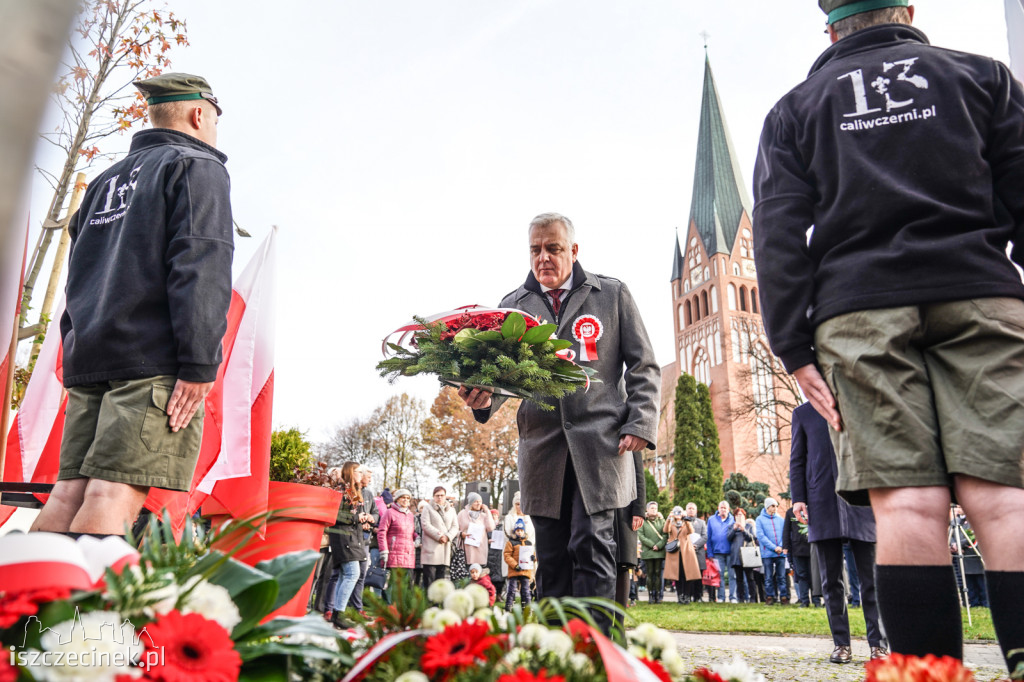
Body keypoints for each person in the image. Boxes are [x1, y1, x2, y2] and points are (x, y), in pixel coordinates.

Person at [754, 0, 1024, 671]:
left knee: (907, 503)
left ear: (830, 26)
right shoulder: (981, 77)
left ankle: (932, 672)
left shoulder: (797, 109)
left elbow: (779, 235)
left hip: (859, 311)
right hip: (980, 291)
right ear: (906, 9)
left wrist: (793, 344)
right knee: (1006, 497)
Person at [31, 73, 233, 536]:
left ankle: (25, 609)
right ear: (199, 113)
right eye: (217, 120)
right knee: (111, 494)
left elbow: (78, 274)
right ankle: (83, 612)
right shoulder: (196, 165)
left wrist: (75, 348)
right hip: (152, 361)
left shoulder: (102, 182)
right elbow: (201, 263)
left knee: (69, 493)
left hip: (92, 356)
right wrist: (199, 364)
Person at [458, 212, 660, 626]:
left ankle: (599, 653)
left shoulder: (612, 294)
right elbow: (499, 382)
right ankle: (559, 656)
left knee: (592, 546)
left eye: (553, 248)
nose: (543, 257)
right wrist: (481, 399)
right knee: (550, 557)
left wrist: (639, 422)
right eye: (535, 249)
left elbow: (644, 366)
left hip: (601, 448)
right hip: (542, 451)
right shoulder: (512, 306)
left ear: (573, 250)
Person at [790, 402, 886, 663]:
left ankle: (878, 645)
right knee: (831, 582)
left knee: (871, 580)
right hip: (822, 502)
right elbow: (797, 460)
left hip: (862, 503)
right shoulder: (804, 413)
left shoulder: (859, 402)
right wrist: (798, 498)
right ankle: (841, 644)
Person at [327, 462, 367, 627]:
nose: (361, 475)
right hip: (343, 539)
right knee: (352, 574)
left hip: (351, 538)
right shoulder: (342, 492)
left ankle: (337, 614)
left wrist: (362, 519)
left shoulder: (352, 492)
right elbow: (335, 516)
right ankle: (338, 614)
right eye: (358, 471)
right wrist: (357, 518)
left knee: (346, 575)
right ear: (350, 473)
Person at [613, 451, 646, 610]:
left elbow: (638, 472)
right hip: (594, 503)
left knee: (622, 564)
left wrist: (639, 509)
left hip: (623, 507)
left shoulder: (628, 427)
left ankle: (618, 625)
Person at [348, 465, 379, 611]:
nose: (370, 479)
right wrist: (362, 522)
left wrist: (371, 518)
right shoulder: (351, 492)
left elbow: (376, 513)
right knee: (348, 574)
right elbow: (353, 515)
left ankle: (357, 607)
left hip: (365, 539)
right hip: (352, 539)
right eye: (368, 476)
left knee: (361, 574)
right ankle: (340, 605)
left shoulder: (369, 494)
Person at [377, 488, 417, 587]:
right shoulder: (389, 512)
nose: (405, 500)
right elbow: (381, 532)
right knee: (392, 587)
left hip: (408, 556)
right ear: (397, 499)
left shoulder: (411, 515)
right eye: (403, 497)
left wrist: (417, 538)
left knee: (406, 588)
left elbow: (411, 532)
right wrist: (384, 550)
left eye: (408, 498)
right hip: (393, 555)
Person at [420, 486, 459, 587]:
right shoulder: (427, 508)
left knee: (440, 580)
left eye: (442, 495)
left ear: (445, 496)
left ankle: (438, 602)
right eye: (437, 495)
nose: (440, 497)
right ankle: (429, 602)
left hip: (445, 548)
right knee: (430, 579)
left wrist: (448, 536)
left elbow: (455, 526)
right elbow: (425, 525)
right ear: (433, 497)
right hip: (431, 548)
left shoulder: (452, 510)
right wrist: (440, 536)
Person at [662, 506, 701, 603]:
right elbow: (666, 530)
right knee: (677, 576)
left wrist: (686, 519)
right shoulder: (671, 522)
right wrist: (668, 518)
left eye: (679, 512)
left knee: (687, 574)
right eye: (676, 512)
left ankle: (687, 596)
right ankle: (680, 596)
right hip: (675, 552)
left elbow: (691, 531)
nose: (678, 514)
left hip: (686, 551)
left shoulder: (685, 522)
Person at [756, 498, 788, 605]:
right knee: (768, 577)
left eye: (776, 506)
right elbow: (761, 536)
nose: (775, 508)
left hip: (780, 553)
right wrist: (774, 547)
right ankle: (770, 597)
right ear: (767, 507)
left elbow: (785, 534)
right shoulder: (760, 520)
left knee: (782, 577)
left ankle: (784, 597)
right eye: (773, 506)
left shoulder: (781, 520)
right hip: (767, 553)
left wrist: (780, 546)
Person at [782, 504, 811, 607]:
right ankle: (804, 600)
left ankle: (816, 600)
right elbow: (786, 530)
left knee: (813, 574)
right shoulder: (790, 512)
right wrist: (785, 546)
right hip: (797, 548)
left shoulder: (812, 508)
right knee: (801, 574)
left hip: (812, 547)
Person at [638, 502, 667, 604]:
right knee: (649, 574)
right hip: (648, 552)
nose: (654, 510)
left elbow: (665, 534)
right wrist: (651, 545)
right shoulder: (643, 521)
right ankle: (650, 595)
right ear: (647, 510)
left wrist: (658, 545)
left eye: (655, 508)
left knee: (658, 574)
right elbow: (641, 535)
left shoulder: (662, 521)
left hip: (659, 552)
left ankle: (658, 595)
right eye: (652, 508)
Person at [503, 519, 535, 611]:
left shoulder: (529, 543)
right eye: (517, 530)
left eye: (521, 530)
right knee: (511, 589)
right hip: (514, 570)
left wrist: (533, 557)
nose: (519, 532)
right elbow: (507, 555)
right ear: (515, 531)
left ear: (524, 531)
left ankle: (527, 608)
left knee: (525, 590)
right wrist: (515, 565)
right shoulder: (510, 542)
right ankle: (508, 607)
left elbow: (533, 555)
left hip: (525, 571)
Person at [706, 501, 735, 603]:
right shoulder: (711, 520)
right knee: (720, 575)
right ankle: (721, 597)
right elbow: (708, 537)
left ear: (728, 509)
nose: (723, 509)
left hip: (731, 553)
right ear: (718, 508)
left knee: (732, 575)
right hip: (717, 553)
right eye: (721, 507)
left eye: (725, 508)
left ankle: (733, 597)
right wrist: (710, 553)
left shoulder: (733, 519)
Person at [458, 492, 495, 568]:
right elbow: (455, 529)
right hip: (467, 550)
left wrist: (487, 511)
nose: (478, 504)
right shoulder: (462, 514)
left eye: (480, 501)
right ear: (471, 503)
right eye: (476, 501)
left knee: (480, 575)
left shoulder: (484, 515)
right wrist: (461, 534)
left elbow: (491, 528)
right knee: (468, 576)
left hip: (480, 550)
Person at [727, 508, 755, 603]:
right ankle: (741, 598)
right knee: (739, 579)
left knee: (750, 578)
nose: (739, 516)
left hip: (747, 555)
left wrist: (743, 530)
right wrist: (735, 529)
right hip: (736, 555)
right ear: (734, 517)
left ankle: (753, 598)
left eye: (741, 515)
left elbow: (751, 538)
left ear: (744, 516)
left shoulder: (748, 526)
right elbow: (728, 538)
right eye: (737, 515)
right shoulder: (731, 526)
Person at [682, 503, 708, 603]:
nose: (691, 510)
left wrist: (695, 545)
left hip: (698, 552)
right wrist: (688, 546)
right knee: (688, 576)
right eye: (689, 508)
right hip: (686, 553)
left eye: (693, 509)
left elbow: (705, 536)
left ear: (696, 511)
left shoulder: (701, 522)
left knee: (699, 575)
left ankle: (698, 596)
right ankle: (687, 595)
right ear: (686, 510)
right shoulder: (683, 522)